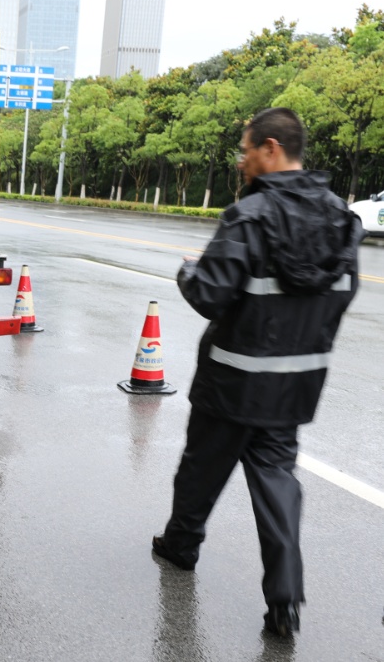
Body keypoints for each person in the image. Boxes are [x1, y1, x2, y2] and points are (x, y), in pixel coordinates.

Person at [151, 108, 364, 637]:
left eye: (246, 150)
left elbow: (209, 295)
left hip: (232, 382)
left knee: (201, 469)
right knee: (277, 486)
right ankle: (285, 602)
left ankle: (181, 546)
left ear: (271, 148)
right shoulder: (341, 218)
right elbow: (343, 294)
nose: (241, 160)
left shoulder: (249, 216)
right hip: (294, 385)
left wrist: (189, 269)